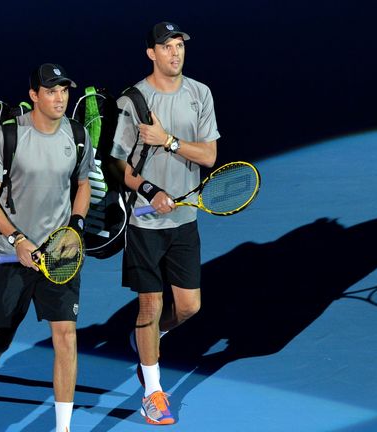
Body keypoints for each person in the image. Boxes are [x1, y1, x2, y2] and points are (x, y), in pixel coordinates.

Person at [0, 63, 94, 432]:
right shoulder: (8, 137)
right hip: (9, 255)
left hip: (58, 255)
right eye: (51, 91)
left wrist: (75, 226)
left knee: (66, 336)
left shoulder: (78, 135)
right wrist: (18, 239)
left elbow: (83, 184)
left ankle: (63, 428)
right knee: (1, 337)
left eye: (64, 90)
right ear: (34, 95)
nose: (60, 98)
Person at [110, 21, 219, 425]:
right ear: (151, 54)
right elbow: (118, 165)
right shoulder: (132, 101)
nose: (175, 53)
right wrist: (150, 190)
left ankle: (149, 340)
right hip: (145, 223)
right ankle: (152, 393)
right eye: (167, 47)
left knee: (189, 307)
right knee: (150, 304)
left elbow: (209, 156)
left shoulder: (200, 94)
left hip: (186, 216)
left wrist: (168, 141)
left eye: (179, 45)